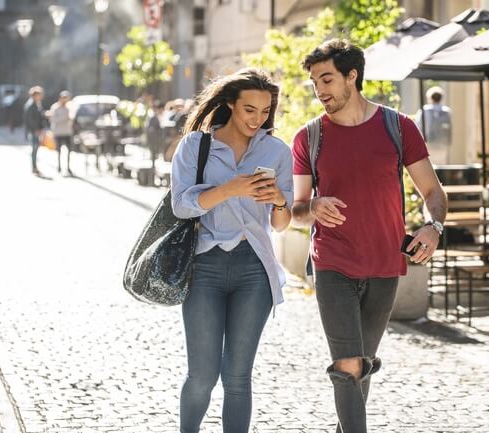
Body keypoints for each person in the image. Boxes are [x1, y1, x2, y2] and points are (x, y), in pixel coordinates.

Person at [291, 39, 448, 433]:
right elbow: (294, 210)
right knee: (347, 364)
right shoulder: (309, 138)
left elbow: (433, 191)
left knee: (360, 367)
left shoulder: (398, 127)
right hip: (332, 263)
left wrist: (434, 226)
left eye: (326, 79)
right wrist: (312, 208)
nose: (319, 90)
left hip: (383, 266)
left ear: (352, 76)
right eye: (314, 82)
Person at [170, 68, 293, 433]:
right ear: (229, 105)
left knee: (238, 376)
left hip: (254, 269)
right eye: (249, 110)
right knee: (202, 375)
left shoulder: (277, 151)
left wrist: (280, 200)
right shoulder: (196, 146)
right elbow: (181, 205)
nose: (258, 119)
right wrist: (231, 188)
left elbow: (281, 223)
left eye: (265, 111)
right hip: (203, 267)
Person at [414, 86, 452, 165]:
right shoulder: (446, 111)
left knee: (430, 165)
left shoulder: (424, 110)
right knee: (441, 165)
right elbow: (449, 128)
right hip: (442, 143)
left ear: (430, 98)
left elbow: (417, 126)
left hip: (428, 142)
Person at [49, 91, 75, 176]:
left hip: (67, 132)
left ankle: (68, 167)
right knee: (58, 151)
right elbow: (53, 119)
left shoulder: (69, 107)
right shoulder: (55, 107)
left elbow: (72, 118)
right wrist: (64, 118)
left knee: (69, 151)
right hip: (58, 132)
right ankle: (59, 166)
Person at [23, 86, 47, 176]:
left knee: (36, 148)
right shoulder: (31, 105)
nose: (41, 96)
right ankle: (34, 167)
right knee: (34, 148)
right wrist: (36, 129)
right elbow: (30, 120)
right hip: (33, 131)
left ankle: (35, 167)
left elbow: (39, 116)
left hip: (36, 130)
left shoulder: (37, 104)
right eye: (39, 95)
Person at [146, 100, 165, 166]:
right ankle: (153, 167)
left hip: (158, 139)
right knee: (154, 154)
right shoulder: (153, 117)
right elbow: (150, 129)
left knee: (157, 154)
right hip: (154, 139)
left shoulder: (160, 117)